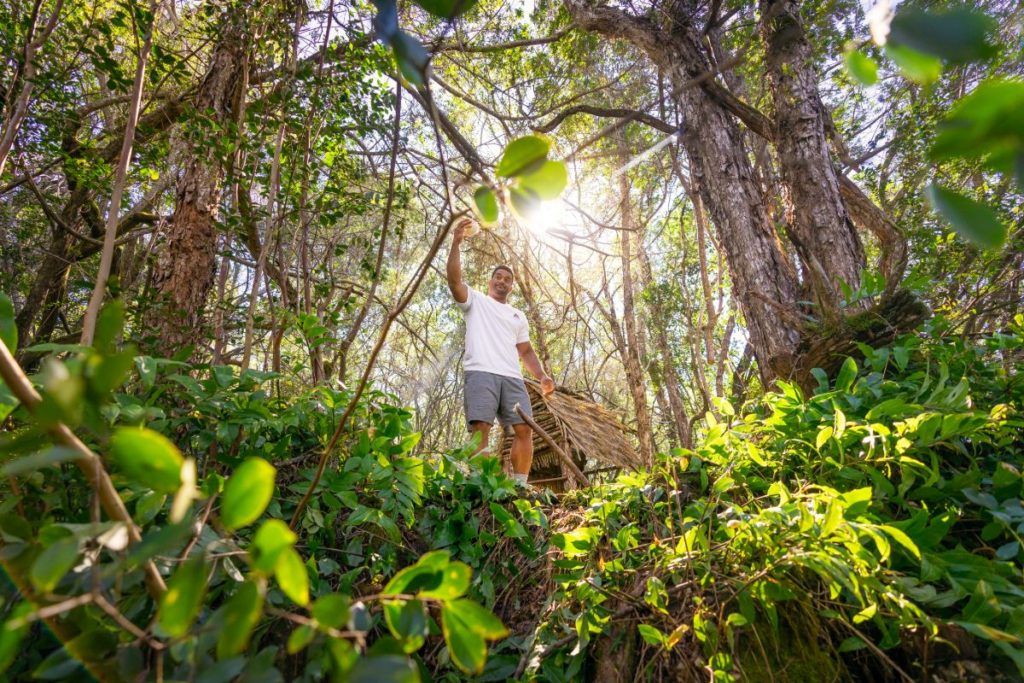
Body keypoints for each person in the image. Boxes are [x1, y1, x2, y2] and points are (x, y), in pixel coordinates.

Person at [446, 217, 555, 488]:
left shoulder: (518, 316)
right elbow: (454, 281)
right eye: (498, 277)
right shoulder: (476, 301)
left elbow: (526, 350)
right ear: (490, 280)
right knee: (480, 426)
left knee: (524, 428)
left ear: (512, 286)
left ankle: (519, 485)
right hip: (481, 371)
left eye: (508, 279)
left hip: (511, 377)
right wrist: (456, 243)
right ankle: (480, 482)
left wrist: (542, 376)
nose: (503, 282)